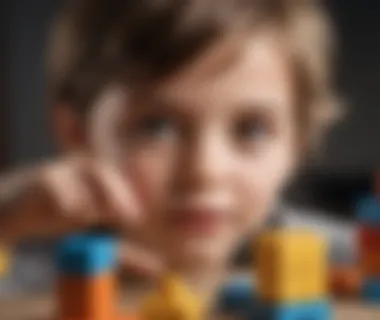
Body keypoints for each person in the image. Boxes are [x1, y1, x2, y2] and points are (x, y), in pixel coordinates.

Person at [0, 0, 341, 295]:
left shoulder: (345, 259)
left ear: (299, 142)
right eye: (156, 127)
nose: (205, 170)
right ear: (77, 134)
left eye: (251, 129)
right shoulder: (24, 272)